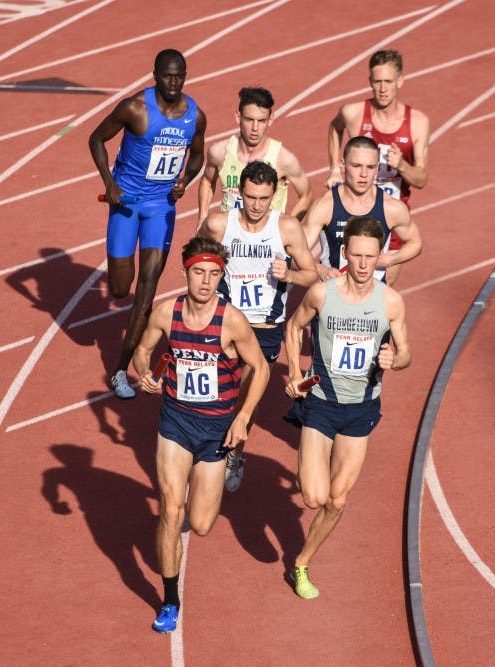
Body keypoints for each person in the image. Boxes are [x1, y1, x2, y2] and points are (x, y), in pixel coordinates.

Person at [133, 236, 270, 632]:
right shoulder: (167, 312)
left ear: (221, 276)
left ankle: (215, 475)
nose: (206, 282)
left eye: (213, 274)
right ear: (186, 273)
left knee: (202, 523)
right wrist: (145, 374)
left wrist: (243, 417)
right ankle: (170, 600)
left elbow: (260, 368)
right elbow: (142, 350)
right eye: (199, 273)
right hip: (176, 422)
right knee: (171, 510)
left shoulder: (231, 321)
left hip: (216, 430)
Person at [283, 215, 411, 599]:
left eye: (370, 256)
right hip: (321, 403)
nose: (363, 264)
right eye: (356, 255)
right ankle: (311, 465)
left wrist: (395, 359)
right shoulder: (322, 294)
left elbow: (406, 353)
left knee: (337, 500)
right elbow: (294, 327)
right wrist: (295, 372)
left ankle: (302, 562)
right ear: (344, 253)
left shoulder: (390, 302)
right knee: (313, 497)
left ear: (379, 257)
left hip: (361, 408)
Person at [89, 48, 207, 399]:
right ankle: (128, 334)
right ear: (155, 75)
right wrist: (109, 183)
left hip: (161, 208)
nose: (173, 82)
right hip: (126, 203)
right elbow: (96, 139)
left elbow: (197, 155)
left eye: (179, 76)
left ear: (185, 76)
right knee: (120, 289)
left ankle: (120, 370)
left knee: (147, 289)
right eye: (167, 75)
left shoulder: (195, 116)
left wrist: (186, 179)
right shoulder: (135, 109)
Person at [197, 161, 319, 492]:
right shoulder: (219, 224)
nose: (256, 205)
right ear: (239, 192)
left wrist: (289, 274)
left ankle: (234, 453)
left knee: (245, 396)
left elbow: (312, 274)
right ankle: (207, 454)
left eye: (264, 198)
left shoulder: (287, 228)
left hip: (265, 328)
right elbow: (196, 257)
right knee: (214, 394)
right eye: (250, 197)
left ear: (274, 196)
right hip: (226, 323)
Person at [325, 49, 430, 285]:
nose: (382, 88)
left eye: (388, 82)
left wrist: (402, 165)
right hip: (352, 211)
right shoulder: (353, 113)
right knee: (342, 283)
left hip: (390, 218)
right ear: (370, 81)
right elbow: (334, 128)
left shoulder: (417, 122)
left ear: (400, 81)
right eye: (377, 81)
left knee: (381, 288)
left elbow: (421, 179)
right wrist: (334, 168)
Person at [304, 136, 422, 282]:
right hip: (333, 290)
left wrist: (390, 260)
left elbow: (415, 243)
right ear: (343, 165)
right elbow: (295, 252)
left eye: (370, 167)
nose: (364, 174)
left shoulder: (391, 207)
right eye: (356, 166)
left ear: (377, 168)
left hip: (374, 293)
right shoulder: (325, 206)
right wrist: (321, 269)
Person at [197, 86, 312, 222]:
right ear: (238, 117)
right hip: (229, 233)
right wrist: (202, 217)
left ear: (271, 120)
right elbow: (207, 181)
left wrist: (287, 226)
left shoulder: (283, 159)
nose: (255, 128)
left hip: (267, 235)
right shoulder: (219, 152)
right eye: (249, 120)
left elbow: (307, 195)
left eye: (262, 121)